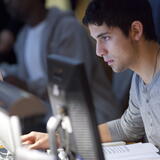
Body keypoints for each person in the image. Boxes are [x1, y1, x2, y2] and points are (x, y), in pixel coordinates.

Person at [22, 0, 160, 150]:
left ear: (135, 31)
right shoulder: (139, 78)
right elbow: (126, 127)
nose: (99, 52)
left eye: (105, 38)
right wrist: (59, 139)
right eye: (97, 41)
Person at [1, 0, 124, 125]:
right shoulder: (23, 36)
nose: (7, 2)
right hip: (57, 121)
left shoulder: (68, 28)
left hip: (95, 120)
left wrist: (27, 86)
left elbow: (71, 81)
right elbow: (25, 73)